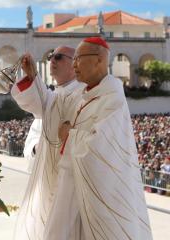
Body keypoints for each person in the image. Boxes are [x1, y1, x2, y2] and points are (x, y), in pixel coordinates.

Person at [15, 37, 153, 239]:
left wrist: (69, 136)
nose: (74, 64)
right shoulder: (87, 94)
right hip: (68, 179)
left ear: (99, 60)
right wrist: (33, 76)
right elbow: (48, 107)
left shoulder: (109, 97)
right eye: (52, 56)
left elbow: (101, 146)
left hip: (93, 187)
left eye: (76, 58)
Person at [11, 46, 84, 237]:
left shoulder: (82, 93)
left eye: (59, 57)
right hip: (48, 175)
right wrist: (33, 75)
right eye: (51, 56)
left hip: (71, 179)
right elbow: (41, 103)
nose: (52, 60)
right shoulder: (56, 93)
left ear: (75, 63)